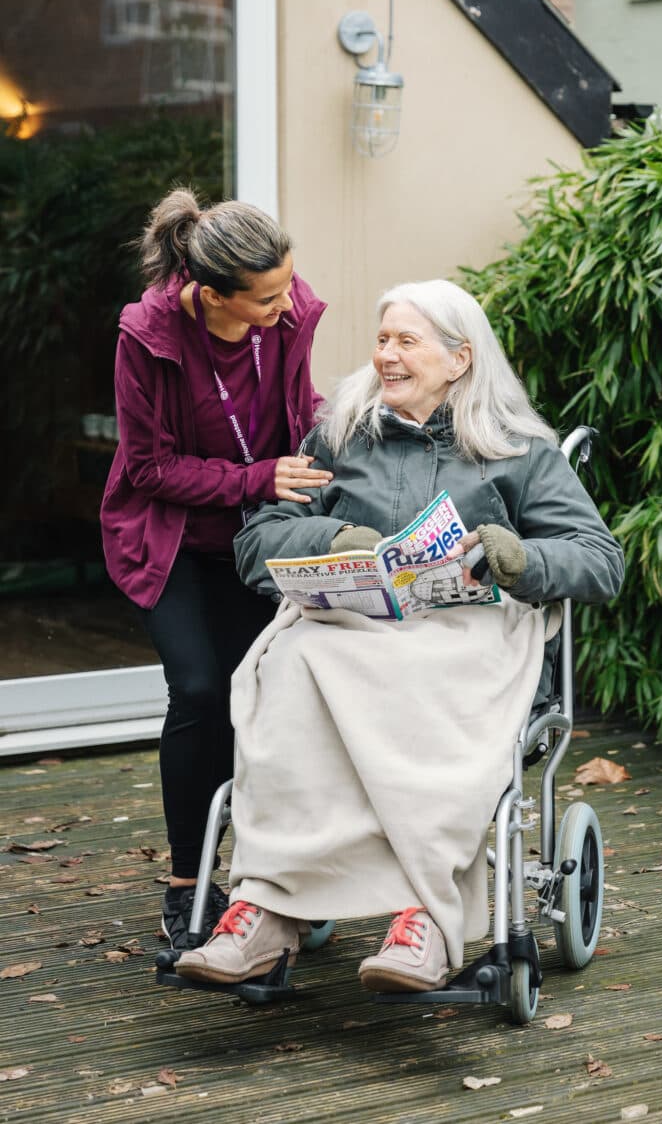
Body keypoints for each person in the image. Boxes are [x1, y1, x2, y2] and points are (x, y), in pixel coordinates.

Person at [175, 279, 624, 992]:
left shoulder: (519, 451)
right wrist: (336, 537)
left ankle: (427, 920)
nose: (386, 354)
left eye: (406, 341)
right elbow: (257, 539)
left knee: (425, 672)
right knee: (288, 663)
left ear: (459, 359)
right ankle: (264, 912)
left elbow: (601, 560)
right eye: (382, 339)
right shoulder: (343, 435)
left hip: (471, 634)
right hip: (354, 627)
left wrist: (520, 558)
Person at [100, 188, 331, 951]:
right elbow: (148, 467)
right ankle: (187, 882)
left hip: (262, 538)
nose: (283, 305)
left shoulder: (285, 309)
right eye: (264, 298)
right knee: (200, 689)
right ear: (211, 292)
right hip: (173, 539)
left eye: (285, 286)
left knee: (273, 692)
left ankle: (277, 877)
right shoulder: (150, 334)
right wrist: (255, 478)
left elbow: (297, 406)